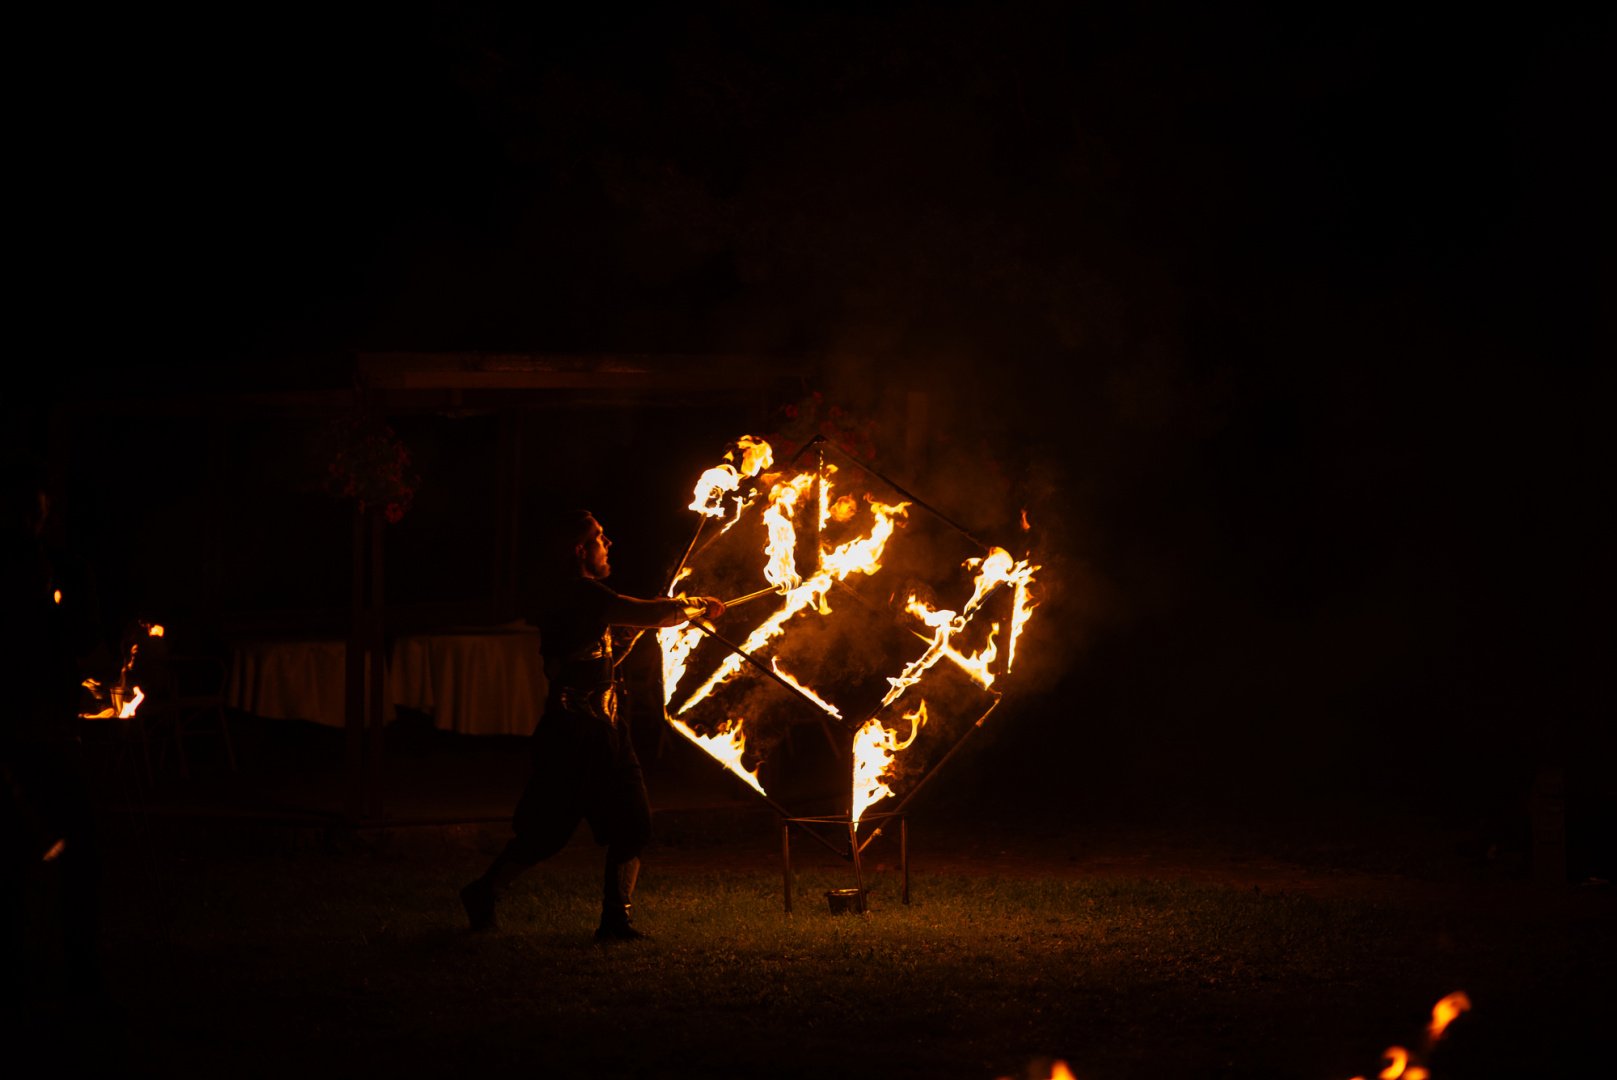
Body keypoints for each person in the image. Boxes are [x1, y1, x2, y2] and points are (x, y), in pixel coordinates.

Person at [461, 509, 727, 941]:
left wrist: (633, 633)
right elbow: (650, 613)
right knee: (544, 834)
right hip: (574, 735)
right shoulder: (576, 593)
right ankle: (484, 891)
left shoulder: (588, 598)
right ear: (580, 550)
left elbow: (601, 659)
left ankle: (616, 920)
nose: (609, 543)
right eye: (600, 537)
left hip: (610, 731)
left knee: (634, 825)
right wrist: (695, 606)